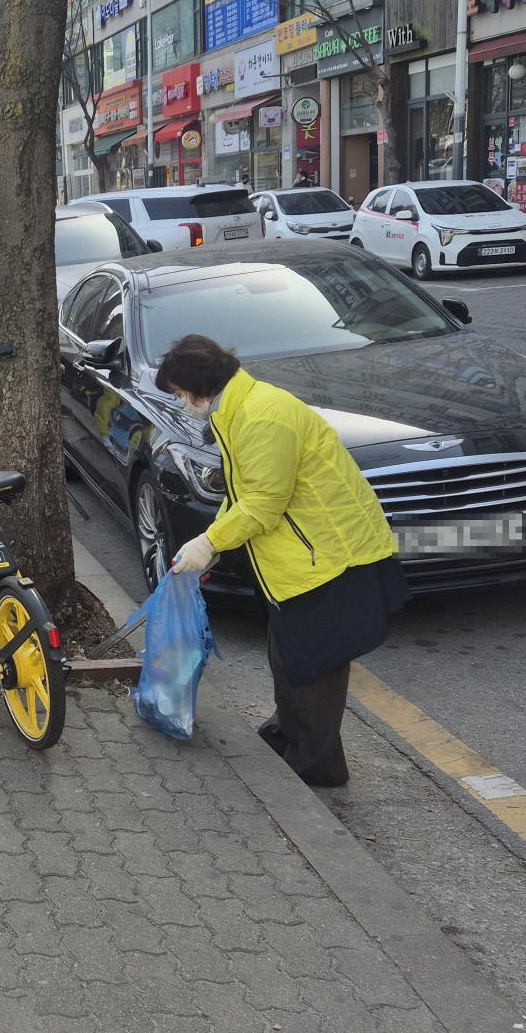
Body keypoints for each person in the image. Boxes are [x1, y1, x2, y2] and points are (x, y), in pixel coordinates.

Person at [158, 334, 404, 788]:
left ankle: (318, 764)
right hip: (303, 555)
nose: (180, 404)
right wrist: (209, 540)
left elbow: (262, 504)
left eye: (178, 394)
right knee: (287, 656)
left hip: (328, 555)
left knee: (313, 664)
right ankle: (287, 736)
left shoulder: (262, 417)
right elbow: (246, 495)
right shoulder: (240, 410)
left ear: (201, 387)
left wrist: (209, 544)